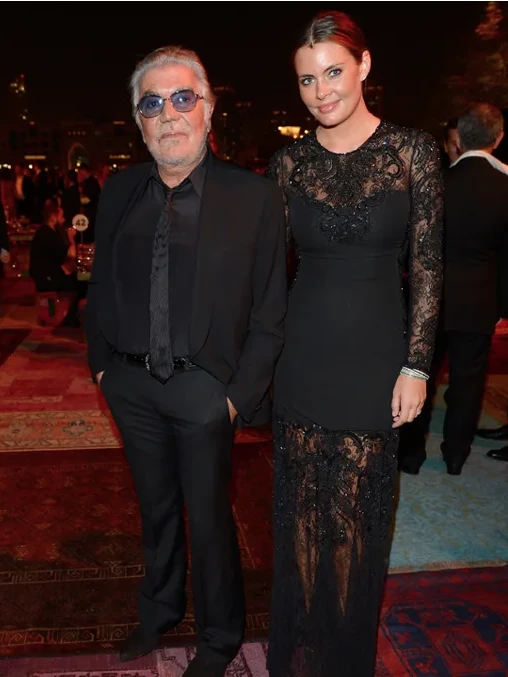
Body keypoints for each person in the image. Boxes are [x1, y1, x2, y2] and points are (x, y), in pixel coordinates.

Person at [85, 46, 287, 675]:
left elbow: (271, 312)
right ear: (139, 120)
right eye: (153, 103)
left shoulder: (254, 197)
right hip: (129, 383)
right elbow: (100, 286)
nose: (169, 114)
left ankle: (221, 636)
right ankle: (159, 609)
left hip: (206, 390)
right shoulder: (119, 190)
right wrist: (102, 368)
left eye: (182, 98)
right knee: (155, 509)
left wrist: (233, 398)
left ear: (208, 108)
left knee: (210, 518)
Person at [267, 11, 443, 677]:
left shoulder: (413, 152)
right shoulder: (289, 162)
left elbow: (428, 266)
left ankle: (343, 658)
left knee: (355, 528)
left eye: (333, 72)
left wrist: (417, 365)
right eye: (307, 80)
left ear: (364, 66)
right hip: (302, 358)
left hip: (375, 359)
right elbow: (265, 272)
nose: (321, 91)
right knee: (300, 523)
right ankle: (300, 656)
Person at [399, 102, 508, 475]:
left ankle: (410, 456)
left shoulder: (435, 184)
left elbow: (412, 246)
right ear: (499, 138)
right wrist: (502, 305)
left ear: (458, 138)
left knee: (420, 375)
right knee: (468, 381)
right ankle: (456, 457)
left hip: (430, 299)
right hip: (480, 301)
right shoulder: (505, 187)